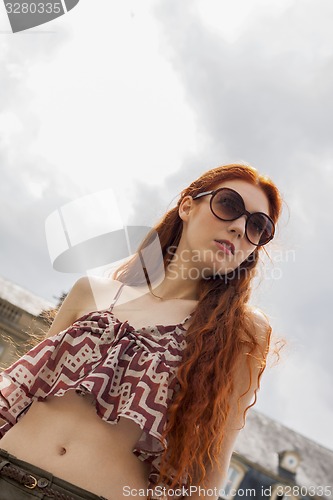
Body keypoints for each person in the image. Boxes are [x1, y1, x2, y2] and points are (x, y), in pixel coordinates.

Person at [0, 163, 283, 500]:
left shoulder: (240, 332)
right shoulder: (91, 291)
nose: (239, 227)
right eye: (228, 205)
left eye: (258, 227)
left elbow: (211, 466)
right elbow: (26, 391)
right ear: (187, 206)